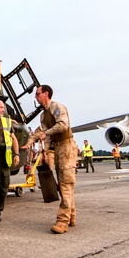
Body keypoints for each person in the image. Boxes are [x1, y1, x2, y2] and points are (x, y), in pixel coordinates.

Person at [31, 85, 76, 234]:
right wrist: (45, 150)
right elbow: (46, 134)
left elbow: (63, 125)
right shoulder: (43, 116)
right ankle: (71, 216)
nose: (35, 97)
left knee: (65, 183)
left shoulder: (57, 107)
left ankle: (62, 221)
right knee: (64, 183)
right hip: (57, 149)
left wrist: (46, 133)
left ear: (46, 94)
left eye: (37, 94)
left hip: (67, 147)